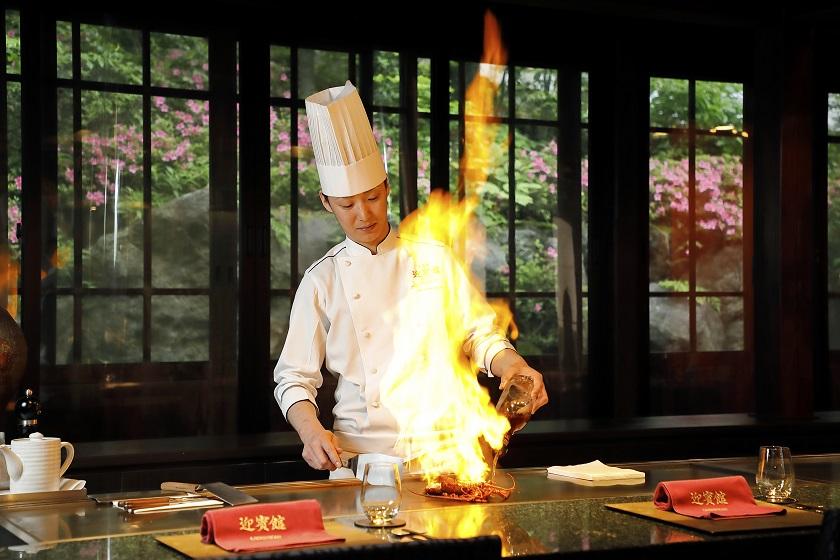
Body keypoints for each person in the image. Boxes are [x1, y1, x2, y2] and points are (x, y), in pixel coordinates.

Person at [274, 81, 548, 478]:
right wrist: (311, 430)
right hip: (358, 467)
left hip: (446, 461)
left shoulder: (434, 259)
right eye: (348, 205)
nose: (363, 214)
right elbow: (293, 378)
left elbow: (480, 336)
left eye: (371, 198)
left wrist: (513, 365)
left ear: (386, 188)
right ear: (326, 202)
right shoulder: (322, 280)